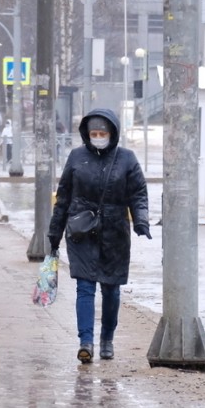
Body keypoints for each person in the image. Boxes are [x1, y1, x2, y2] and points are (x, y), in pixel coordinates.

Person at [47, 108, 151, 364]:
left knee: (111, 290)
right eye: (93, 133)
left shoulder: (127, 159)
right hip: (82, 231)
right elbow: (63, 198)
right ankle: (86, 342)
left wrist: (141, 220)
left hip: (115, 233)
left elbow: (138, 193)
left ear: (112, 133)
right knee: (84, 287)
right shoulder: (76, 157)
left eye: (102, 133)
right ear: (86, 134)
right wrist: (54, 233)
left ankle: (107, 339)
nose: (98, 137)